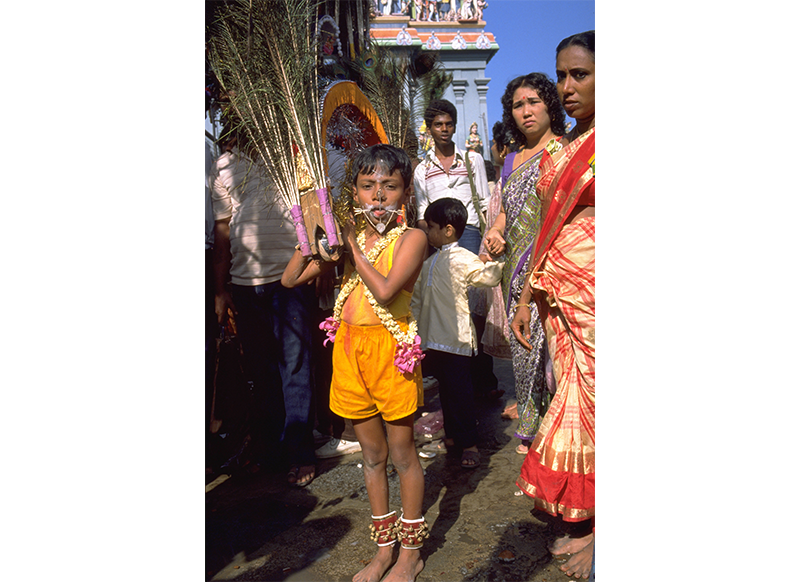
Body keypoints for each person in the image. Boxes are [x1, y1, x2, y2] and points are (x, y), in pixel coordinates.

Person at [282, 144, 429, 582]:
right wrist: (310, 235)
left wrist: (348, 244)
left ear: (405, 192)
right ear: (355, 191)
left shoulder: (413, 237)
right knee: (371, 455)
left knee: (402, 456)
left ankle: (410, 555)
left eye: (389, 186)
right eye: (368, 186)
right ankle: (383, 551)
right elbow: (291, 279)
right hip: (349, 352)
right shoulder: (348, 238)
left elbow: (384, 292)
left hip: (391, 354)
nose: (378, 196)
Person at [510, 30, 595, 580]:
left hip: (596, 289)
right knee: (572, 392)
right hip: (556, 289)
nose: (566, 87)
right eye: (560, 75)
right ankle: (585, 514)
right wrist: (524, 297)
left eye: (579, 75)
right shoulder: (568, 149)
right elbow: (546, 226)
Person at [210, 131, 317, 486]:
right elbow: (223, 232)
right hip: (243, 283)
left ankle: (300, 454)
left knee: (295, 364)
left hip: (290, 278)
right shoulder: (223, 165)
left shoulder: (292, 157)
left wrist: (319, 266)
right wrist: (221, 289)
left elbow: (314, 210)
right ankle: (270, 451)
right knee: (261, 370)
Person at [482, 72, 566, 454]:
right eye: (518, 105)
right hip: (514, 265)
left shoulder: (565, 151)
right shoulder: (512, 158)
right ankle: (532, 422)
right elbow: (505, 211)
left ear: (550, 104)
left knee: (555, 348)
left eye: (534, 102)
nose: (526, 111)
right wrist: (497, 230)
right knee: (524, 346)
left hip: (552, 264)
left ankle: (561, 426)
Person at [414, 99, 500, 399]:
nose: (444, 130)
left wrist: (488, 238)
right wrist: (430, 246)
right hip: (440, 238)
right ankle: (450, 374)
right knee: (447, 306)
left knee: (476, 305)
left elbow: (484, 201)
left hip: (471, 233)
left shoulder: (472, 160)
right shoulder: (423, 169)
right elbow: (423, 210)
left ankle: (483, 379)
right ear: (430, 127)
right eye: (438, 125)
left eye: (449, 124)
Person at [411, 198, 503, 469]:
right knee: (447, 394)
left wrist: (494, 261)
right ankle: (453, 437)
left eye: (431, 227)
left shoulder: (463, 258)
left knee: (460, 394)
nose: (428, 233)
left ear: (448, 230)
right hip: (433, 341)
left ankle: (470, 444)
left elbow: (487, 278)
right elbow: (417, 299)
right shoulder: (429, 263)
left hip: (456, 341)